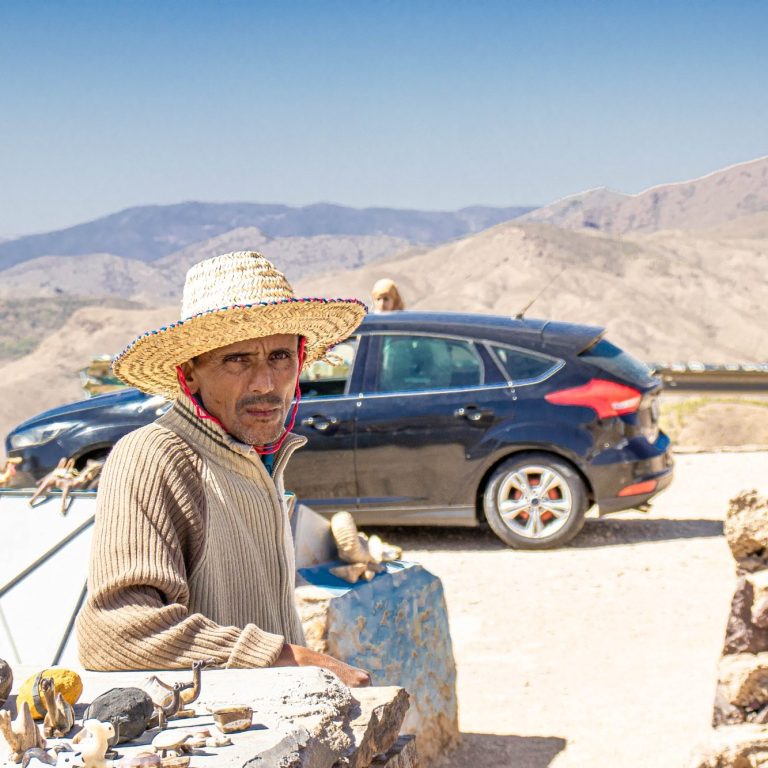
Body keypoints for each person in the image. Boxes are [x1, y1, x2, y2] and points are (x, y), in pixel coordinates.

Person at [76, 251, 371, 687]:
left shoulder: (256, 456)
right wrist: (289, 658)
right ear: (189, 374)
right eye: (237, 360)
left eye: (280, 357)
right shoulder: (154, 456)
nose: (265, 384)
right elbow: (114, 632)